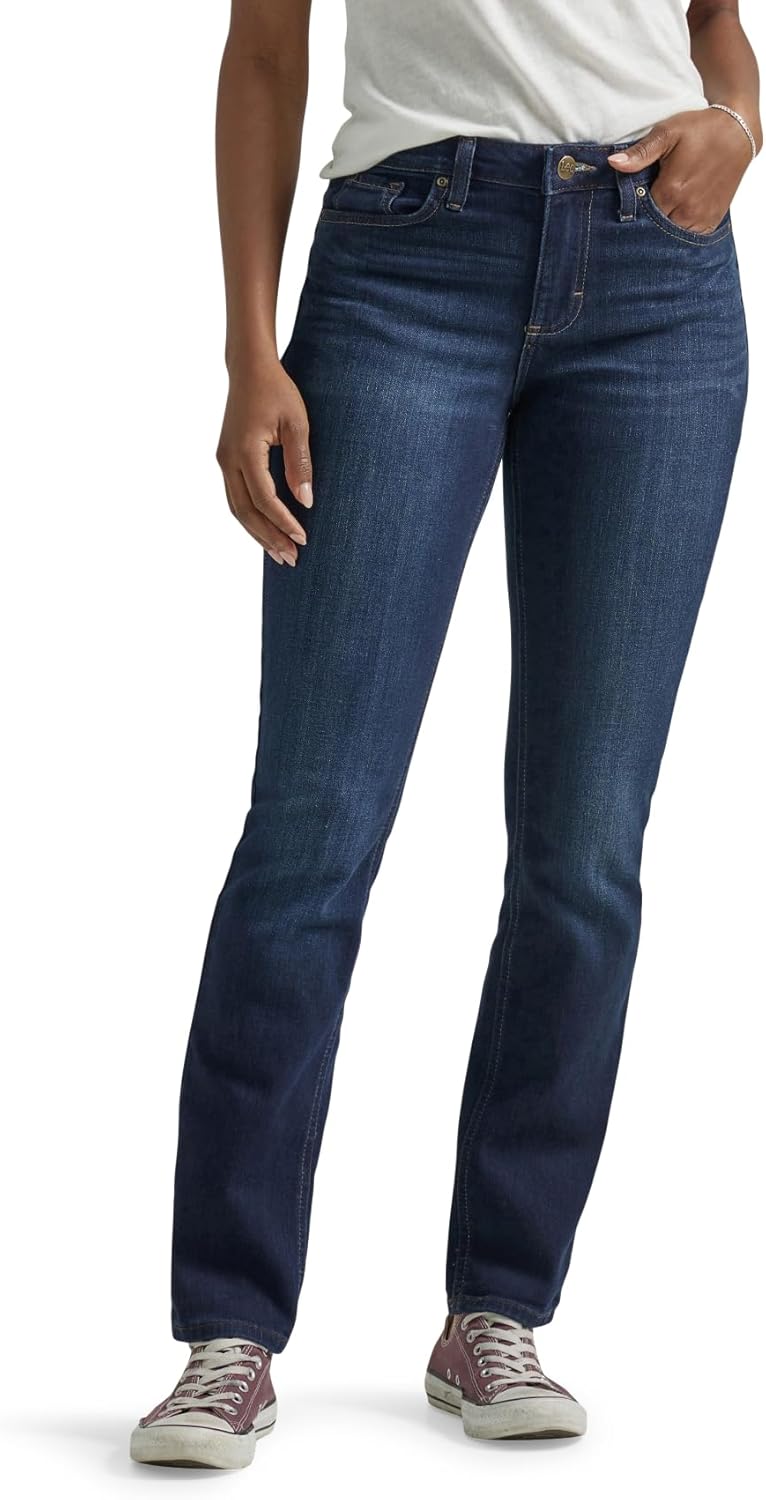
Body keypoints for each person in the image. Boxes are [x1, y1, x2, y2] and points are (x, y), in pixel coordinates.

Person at [130, 0, 760, 1468]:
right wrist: (247, 352)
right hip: (407, 263)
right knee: (312, 833)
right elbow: (266, 49)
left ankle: (498, 1308)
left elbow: (715, 27)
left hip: (661, 285)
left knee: (586, 852)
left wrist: (738, 125)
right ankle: (229, 1335)